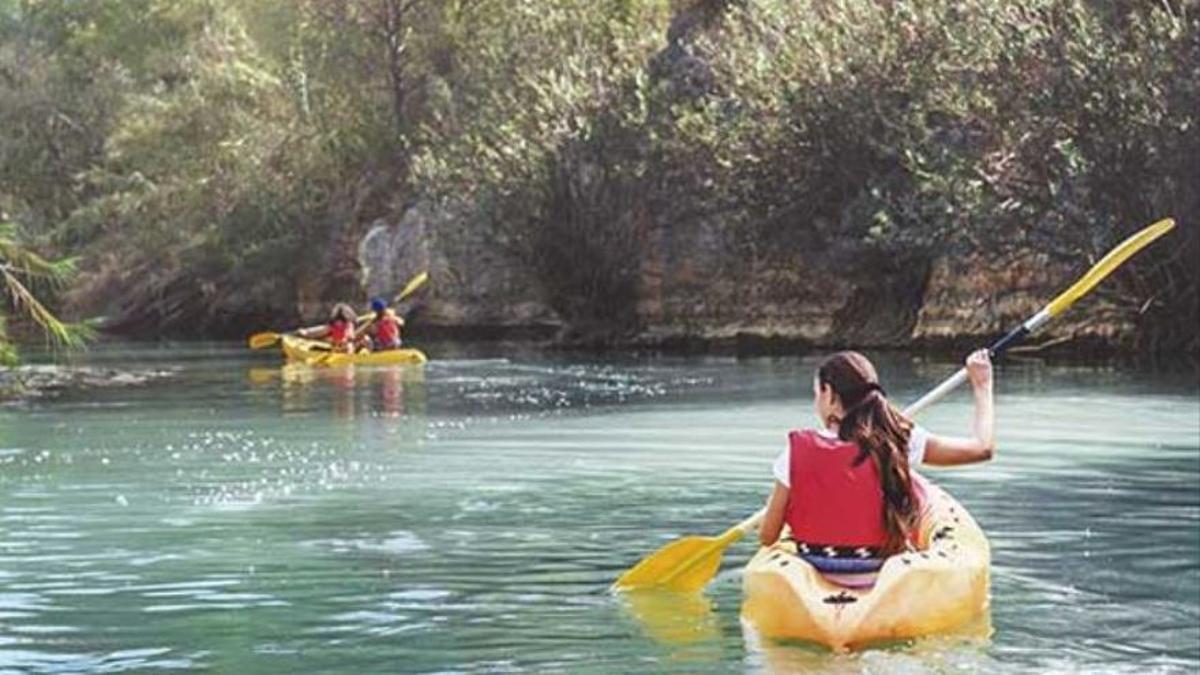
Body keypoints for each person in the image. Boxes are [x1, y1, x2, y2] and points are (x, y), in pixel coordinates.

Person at [757, 349, 995, 587]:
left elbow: (768, 536)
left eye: (816, 394)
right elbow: (982, 449)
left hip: (816, 571)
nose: (816, 403)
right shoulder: (899, 440)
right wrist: (982, 385)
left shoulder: (794, 452)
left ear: (828, 393)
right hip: (883, 575)